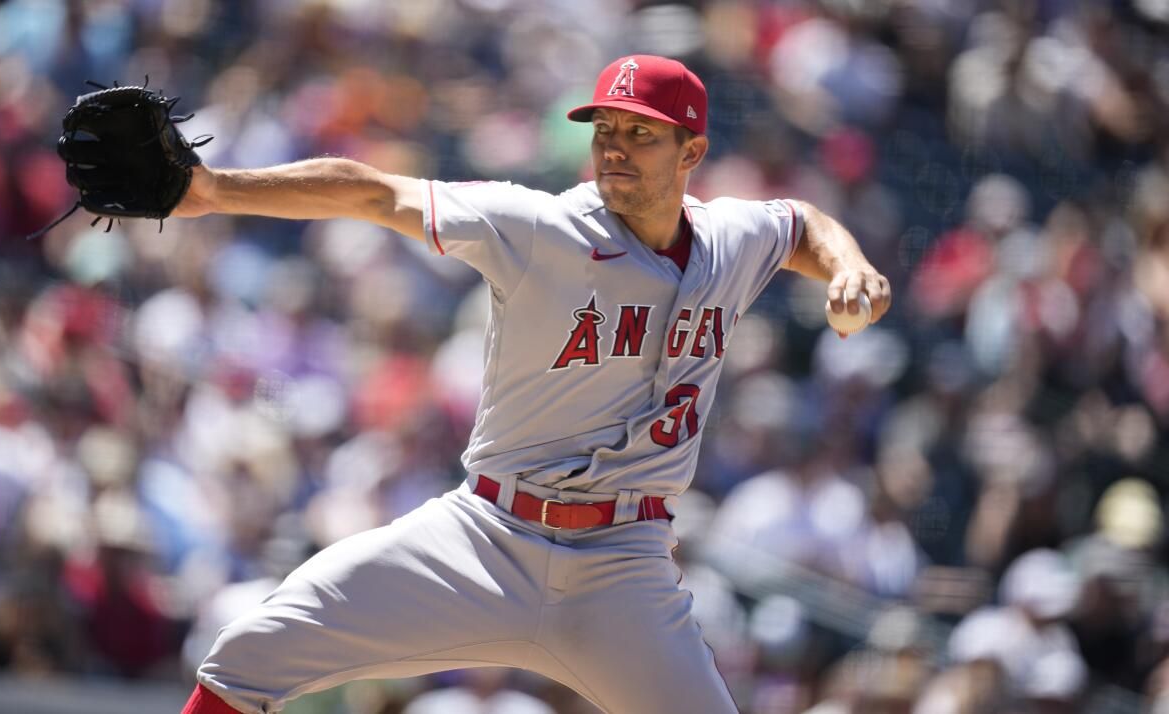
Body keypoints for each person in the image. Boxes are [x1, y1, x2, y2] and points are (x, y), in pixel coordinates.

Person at [177, 55, 891, 714]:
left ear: (692, 153)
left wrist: (849, 265)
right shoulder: (541, 227)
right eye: (604, 128)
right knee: (247, 656)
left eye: (641, 134)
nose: (613, 146)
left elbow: (802, 224)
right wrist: (213, 190)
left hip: (624, 570)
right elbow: (373, 193)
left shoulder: (730, 239)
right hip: (486, 538)